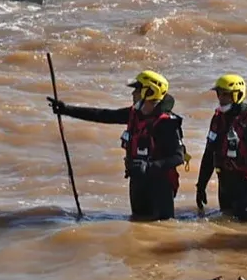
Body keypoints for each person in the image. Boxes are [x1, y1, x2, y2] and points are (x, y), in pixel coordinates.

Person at [47, 70, 188, 221]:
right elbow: (103, 115)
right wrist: (66, 110)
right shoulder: (134, 114)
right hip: (137, 182)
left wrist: (148, 167)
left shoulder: (167, 123)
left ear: (150, 92)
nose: (133, 93)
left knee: (162, 229)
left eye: (137, 89)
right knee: (137, 227)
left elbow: (177, 157)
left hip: (160, 186)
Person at [195, 74, 247, 222]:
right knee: (224, 225)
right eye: (218, 94)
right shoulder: (218, 118)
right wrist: (201, 186)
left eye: (225, 94)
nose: (221, 98)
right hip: (225, 183)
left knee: (243, 230)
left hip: (246, 187)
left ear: (238, 95)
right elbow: (209, 153)